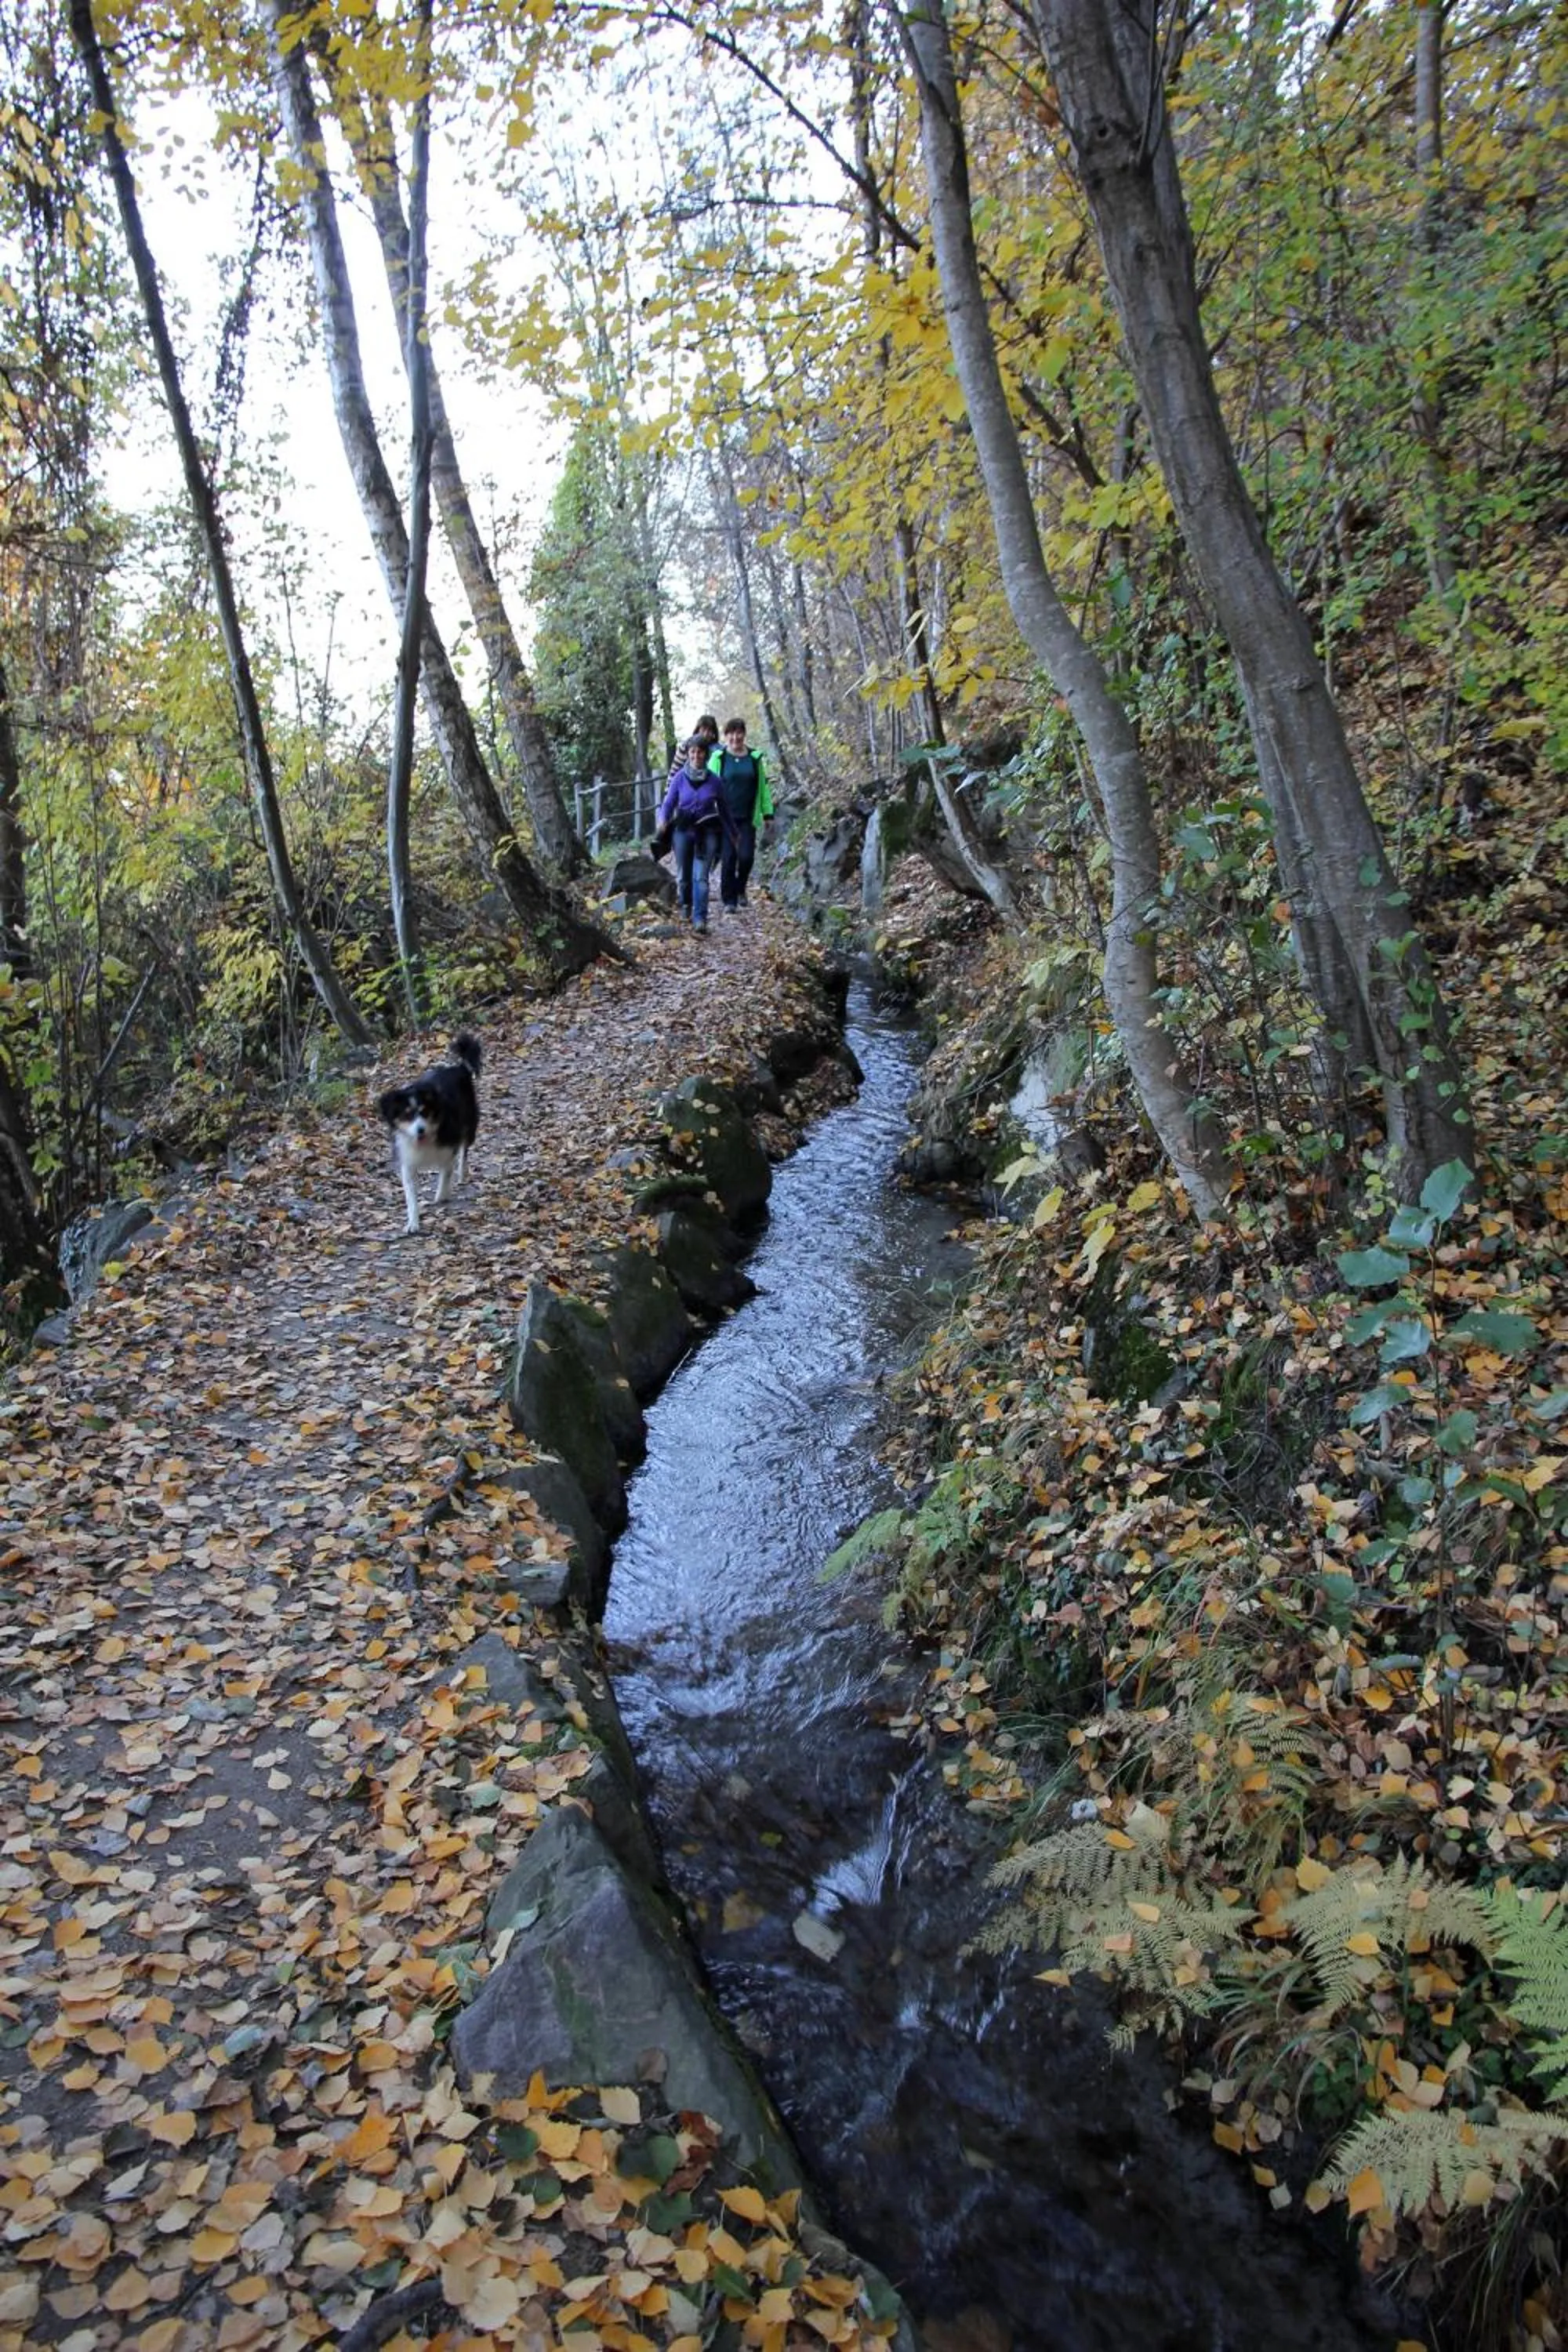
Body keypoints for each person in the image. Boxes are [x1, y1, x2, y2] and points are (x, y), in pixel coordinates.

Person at [658, 734, 726, 932]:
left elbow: (725, 810)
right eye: (693, 752)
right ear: (688, 754)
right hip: (683, 831)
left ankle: (700, 918)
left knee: (701, 878)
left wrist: (733, 834)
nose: (696, 755)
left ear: (706, 754)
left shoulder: (715, 781)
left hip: (707, 832)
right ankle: (686, 904)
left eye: (700, 752)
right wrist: (663, 820)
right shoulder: (679, 778)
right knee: (683, 877)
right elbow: (668, 803)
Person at [714, 717, 773, 913]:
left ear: (744, 734)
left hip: (747, 817)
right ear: (726, 735)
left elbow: (763, 788)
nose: (735, 737)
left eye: (739, 732)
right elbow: (709, 786)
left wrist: (768, 813)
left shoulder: (754, 759)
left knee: (746, 857)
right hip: (725, 819)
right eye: (731, 733)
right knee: (729, 859)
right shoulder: (719, 757)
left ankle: (740, 889)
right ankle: (729, 900)